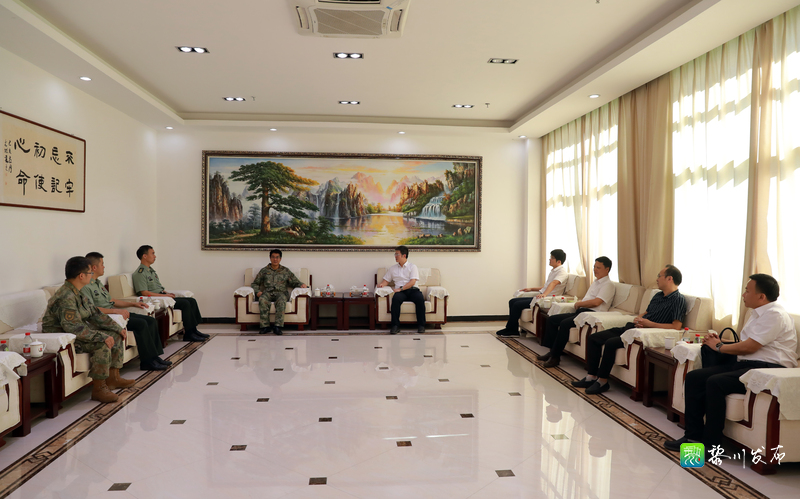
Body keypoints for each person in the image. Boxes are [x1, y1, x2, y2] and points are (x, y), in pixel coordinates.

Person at [664, 274, 797, 452]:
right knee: (695, 377)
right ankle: (692, 437)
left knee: (715, 382)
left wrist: (719, 347)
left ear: (761, 296)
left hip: (767, 370)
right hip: (747, 365)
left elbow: (750, 346)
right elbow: (747, 344)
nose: (743, 294)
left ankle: (712, 445)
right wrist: (719, 342)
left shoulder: (775, 315)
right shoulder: (757, 313)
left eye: (747, 291)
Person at [571, 264, 687, 394]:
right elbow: (646, 313)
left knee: (610, 343)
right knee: (594, 338)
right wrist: (639, 318)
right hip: (633, 327)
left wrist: (649, 324)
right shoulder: (658, 296)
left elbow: (676, 326)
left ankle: (602, 382)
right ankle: (591, 377)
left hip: (643, 333)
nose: (657, 279)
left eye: (659, 276)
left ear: (669, 278)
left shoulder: (678, 299)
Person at [42, 256, 136, 403]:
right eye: (89, 273)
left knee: (115, 335)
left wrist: (117, 328)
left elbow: (95, 314)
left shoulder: (78, 292)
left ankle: (113, 378)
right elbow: (73, 328)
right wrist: (101, 336)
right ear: (81, 276)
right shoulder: (65, 297)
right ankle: (99, 389)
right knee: (102, 343)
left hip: (75, 332)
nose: (91, 275)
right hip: (65, 338)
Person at [82, 252, 170, 371]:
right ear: (94, 267)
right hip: (107, 318)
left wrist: (133, 304)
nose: (104, 267)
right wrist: (114, 311)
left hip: (115, 313)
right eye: (102, 264)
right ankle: (147, 362)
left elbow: (111, 300)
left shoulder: (98, 283)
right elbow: (92, 309)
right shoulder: (85, 286)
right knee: (141, 324)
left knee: (150, 320)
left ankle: (155, 357)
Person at [538, 256, 616, 368]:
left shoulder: (608, 285)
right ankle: (552, 351)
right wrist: (580, 303)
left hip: (591, 314)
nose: (595, 269)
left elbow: (596, 302)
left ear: (607, 269)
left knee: (565, 324)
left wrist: (580, 304)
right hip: (582, 312)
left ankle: (555, 357)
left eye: (598, 267)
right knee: (552, 319)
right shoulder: (596, 282)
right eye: (594, 267)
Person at [131, 245, 208, 342]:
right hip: (156, 299)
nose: (155, 256)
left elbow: (157, 288)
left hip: (162, 296)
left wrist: (166, 293)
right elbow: (144, 292)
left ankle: (194, 330)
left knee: (191, 301)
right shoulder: (140, 273)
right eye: (152, 253)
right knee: (185, 303)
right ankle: (188, 333)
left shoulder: (150, 271)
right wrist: (164, 296)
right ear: (144, 256)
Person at [497, 249, 568, 337]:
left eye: (552, 258)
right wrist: (531, 289)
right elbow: (546, 286)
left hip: (547, 298)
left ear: (559, 261)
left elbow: (554, 283)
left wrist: (544, 294)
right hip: (542, 296)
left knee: (517, 305)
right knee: (512, 301)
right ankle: (512, 329)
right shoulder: (554, 271)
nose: (549, 259)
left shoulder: (562, 272)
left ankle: (512, 330)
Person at [251, 249, 307, 335]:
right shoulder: (264, 271)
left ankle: (277, 327)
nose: (275, 259)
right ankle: (265, 327)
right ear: (270, 258)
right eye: (273, 257)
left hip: (281, 293)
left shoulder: (285, 271)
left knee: (281, 301)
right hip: (267, 293)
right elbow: (255, 283)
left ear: (280, 259)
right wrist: (257, 292)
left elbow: (294, 281)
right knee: (262, 299)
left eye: (277, 257)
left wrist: (301, 284)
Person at [377, 245, 426, 334]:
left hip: (412, 290)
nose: (395, 256)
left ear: (404, 255)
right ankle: (395, 326)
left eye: (397, 254)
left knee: (420, 298)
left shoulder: (412, 267)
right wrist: (381, 285)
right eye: (395, 254)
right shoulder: (393, 268)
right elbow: (386, 280)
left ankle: (421, 325)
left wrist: (401, 288)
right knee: (395, 299)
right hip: (401, 292)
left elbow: (412, 282)